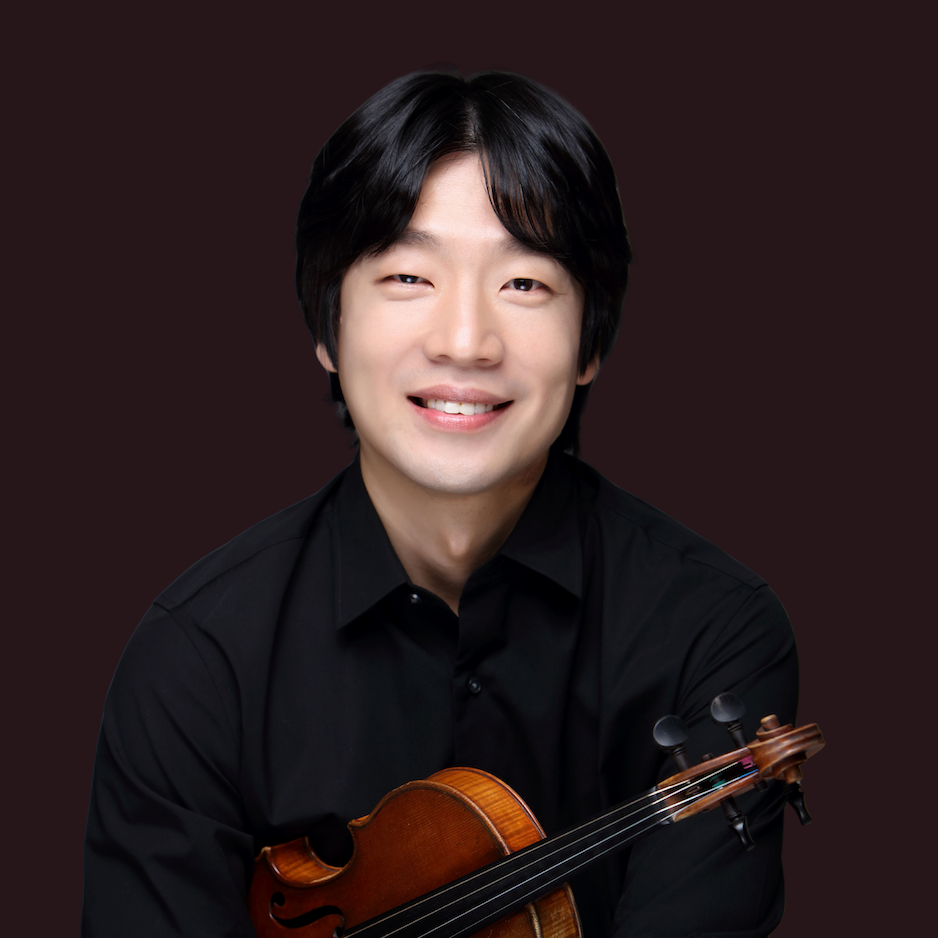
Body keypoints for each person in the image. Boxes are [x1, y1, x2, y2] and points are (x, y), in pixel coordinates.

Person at [82, 70, 798, 937]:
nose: (466, 341)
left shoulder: (711, 635)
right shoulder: (198, 661)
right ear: (327, 326)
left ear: (590, 343)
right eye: (408, 276)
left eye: (524, 283)